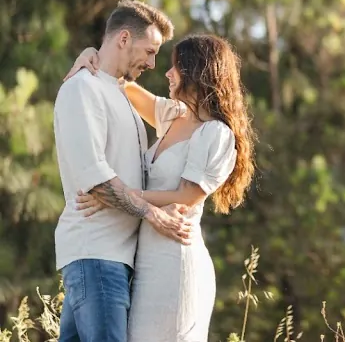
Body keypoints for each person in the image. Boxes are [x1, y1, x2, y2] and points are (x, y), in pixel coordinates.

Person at [65, 33, 257, 341]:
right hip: (145, 259)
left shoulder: (215, 134)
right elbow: (121, 82)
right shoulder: (174, 115)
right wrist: (90, 53)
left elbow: (186, 197)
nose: (167, 73)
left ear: (197, 72)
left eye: (176, 67)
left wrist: (117, 195)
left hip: (175, 259)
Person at [53, 0, 192, 342]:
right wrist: (152, 213)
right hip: (97, 254)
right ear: (124, 38)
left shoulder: (118, 92)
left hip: (115, 257)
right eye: (150, 51)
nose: (153, 62)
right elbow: (96, 180)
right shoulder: (82, 88)